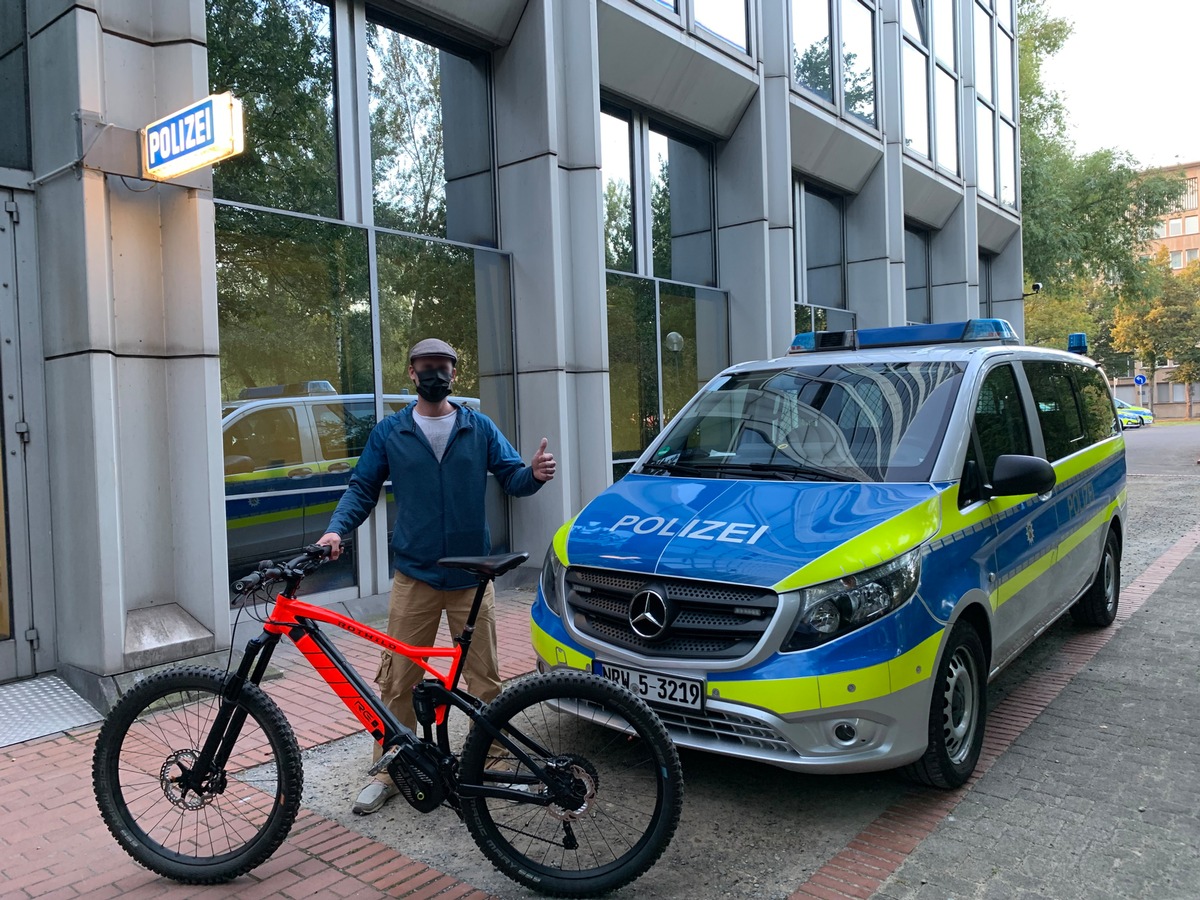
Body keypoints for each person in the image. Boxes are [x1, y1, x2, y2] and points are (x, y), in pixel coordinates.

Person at [317, 337, 556, 815]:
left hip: (471, 577)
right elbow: (362, 488)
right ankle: (391, 767)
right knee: (397, 680)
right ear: (411, 373)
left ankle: (487, 757)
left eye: (443, 366)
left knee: (484, 680)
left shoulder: (478, 425)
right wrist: (335, 531)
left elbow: (513, 478)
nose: (435, 374)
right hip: (416, 578)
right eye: (426, 366)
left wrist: (535, 473)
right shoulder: (391, 432)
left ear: (454, 373)